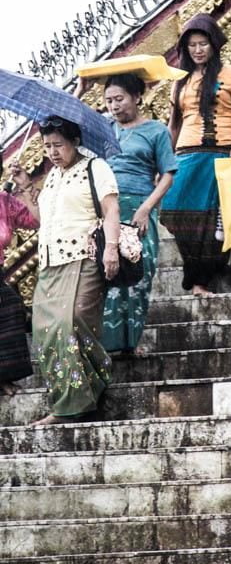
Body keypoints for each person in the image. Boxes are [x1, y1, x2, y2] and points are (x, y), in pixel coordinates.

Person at [11, 116, 121, 426]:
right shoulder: (53, 177)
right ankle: (67, 403)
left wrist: (110, 248)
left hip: (83, 257)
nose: (53, 152)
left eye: (58, 145)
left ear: (74, 141)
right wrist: (26, 187)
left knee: (70, 323)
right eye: (47, 146)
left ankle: (89, 390)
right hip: (50, 261)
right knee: (47, 333)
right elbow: (42, 218)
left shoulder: (94, 167)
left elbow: (111, 209)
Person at [75, 73, 177, 355]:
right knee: (105, 274)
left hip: (139, 209)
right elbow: (66, 128)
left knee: (139, 274)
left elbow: (168, 174)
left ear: (137, 97)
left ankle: (129, 343)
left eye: (119, 99)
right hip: (107, 208)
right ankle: (104, 346)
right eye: (108, 101)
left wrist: (147, 208)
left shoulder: (156, 131)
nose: (114, 106)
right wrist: (81, 90)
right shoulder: (103, 128)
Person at [160, 13, 231, 297]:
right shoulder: (180, 79)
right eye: (192, 45)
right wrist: (165, 157)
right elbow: (174, 123)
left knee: (212, 220)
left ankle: (200, 281)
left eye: (203, 43)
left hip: (221, 154)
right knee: (174, 211)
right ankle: (199, 274)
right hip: (186, 155)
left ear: (213, 44)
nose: (198, 50)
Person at [0, 153, 39, 396]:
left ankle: (4, 377)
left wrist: (24, 186)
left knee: (12, 306)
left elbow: (36, 220)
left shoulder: (4, 201)